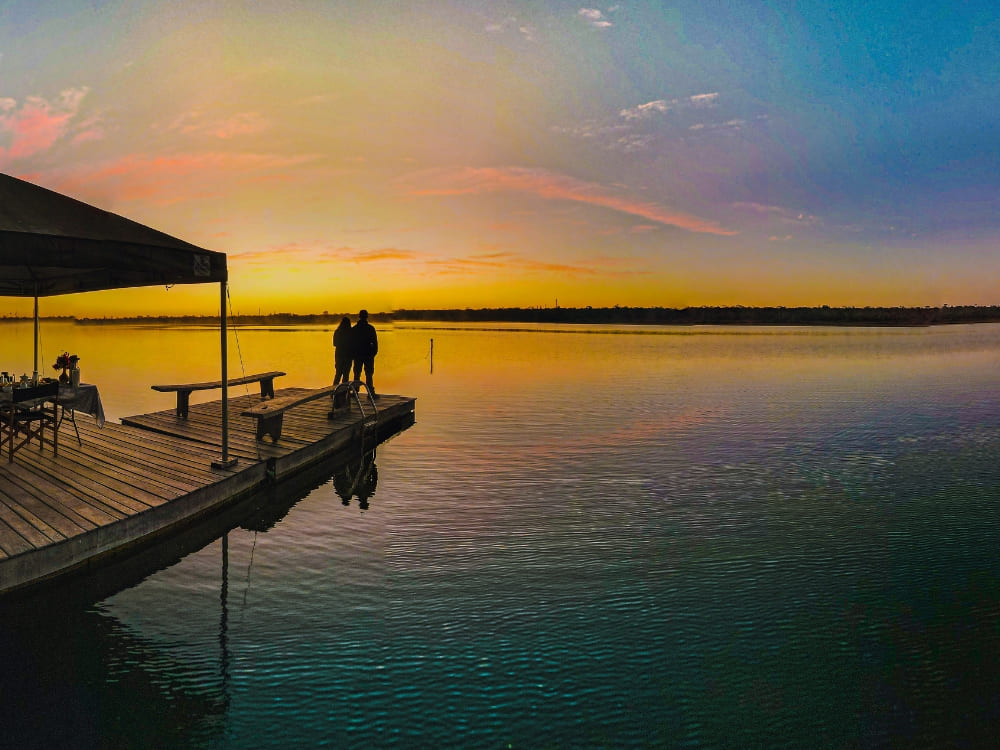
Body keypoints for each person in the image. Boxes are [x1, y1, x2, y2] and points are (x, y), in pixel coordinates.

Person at [351, 309, 378, 397]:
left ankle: (355, 392)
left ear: (359, 316)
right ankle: (370, 393)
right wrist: (373, 353)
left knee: (357, 374)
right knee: (369, 374)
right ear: (367, 317)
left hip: (358, 355)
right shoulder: (370, 328)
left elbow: (351, 343)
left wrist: (353, 354)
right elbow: (375, 343)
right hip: (368, 355)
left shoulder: (355, 328)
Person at [333, 316, 352, 385]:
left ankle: (334, 391)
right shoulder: (351, 332)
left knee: (338, 374)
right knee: (346, 375)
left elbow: (334, 344)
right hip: (348, 355)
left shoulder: (337, 331)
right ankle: (344, 391)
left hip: (339, 355)